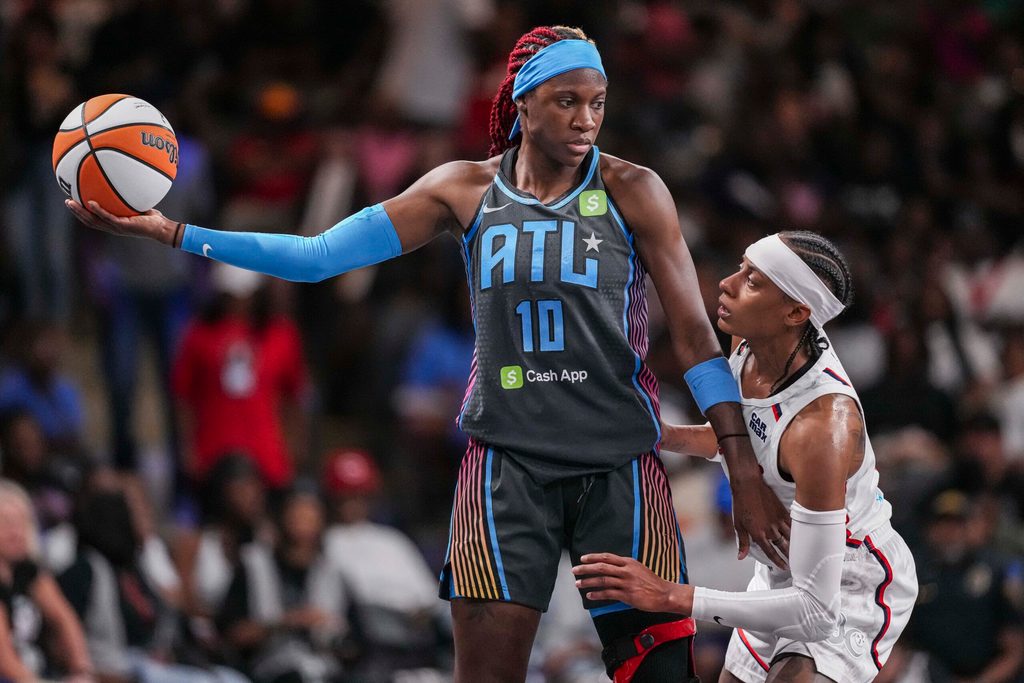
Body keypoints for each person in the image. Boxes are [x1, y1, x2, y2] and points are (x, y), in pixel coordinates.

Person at [66, 25, 788, 682]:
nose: (586, 120)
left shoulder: (635, 189)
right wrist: (174, 234)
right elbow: (319, 255)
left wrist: (742, 465)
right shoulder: (462, 189)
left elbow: (695, 337)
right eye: (567, 100)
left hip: (622, 468)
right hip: (507, 469)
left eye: (598, 102)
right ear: (523, 103)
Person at [575, 232, 919, 683]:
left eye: (752, 281)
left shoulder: (824, 425)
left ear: (796, 312)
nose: (727, 284)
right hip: (780, 573)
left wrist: (670, 596)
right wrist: (659, 435)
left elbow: (816, 609)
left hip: (847, 583)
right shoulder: (749, 340)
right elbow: (743, 439)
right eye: (741, 267)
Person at [0, 479, 93, 681]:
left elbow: (64, 618)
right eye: (6, 523)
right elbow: (5, 662)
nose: (15, 532)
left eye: (20, 523)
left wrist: (81, 670)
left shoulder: (30, 573)